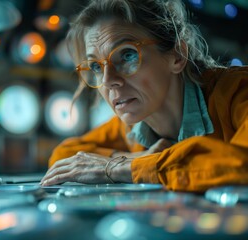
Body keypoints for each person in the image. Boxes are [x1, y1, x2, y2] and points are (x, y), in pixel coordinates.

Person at [40, 0, 248, 192]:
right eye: (96, 66)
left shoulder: (238, 92)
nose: (108, 80)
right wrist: (132, 159)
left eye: (127, 54)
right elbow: (65, 155)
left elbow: (242, 164)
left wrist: (124, 168)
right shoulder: (131, 125)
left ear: (177, 55)